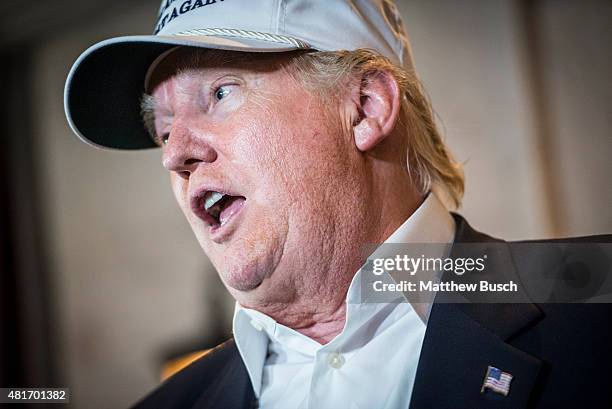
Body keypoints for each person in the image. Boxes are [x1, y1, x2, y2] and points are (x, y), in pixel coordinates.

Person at [64, 1, 612, 408]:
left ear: (366, 109)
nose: (176, 155)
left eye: (220, 94)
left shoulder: (596, 301)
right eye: (163, 132)